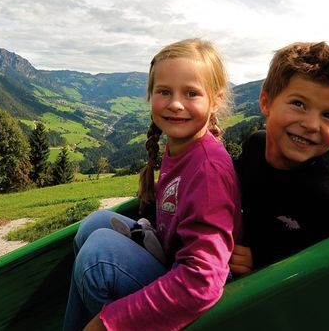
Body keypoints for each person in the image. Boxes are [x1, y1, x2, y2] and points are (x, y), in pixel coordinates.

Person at [63, 38, 242, 331]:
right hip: (172, 262)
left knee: (98, 256)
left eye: (191, 93)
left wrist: (109, 323)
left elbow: (202, 281)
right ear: (150, 95)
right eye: (164, 92)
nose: (175, 104)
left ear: (216, 100)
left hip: (202, 298)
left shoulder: (208, 167)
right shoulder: (181, 147)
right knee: (95, 224)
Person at [229, 42, 329, 275]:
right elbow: (226, 182)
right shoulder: (255, 145)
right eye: (299, 104)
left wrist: (264, 257)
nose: (311, 125)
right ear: (266, 103)